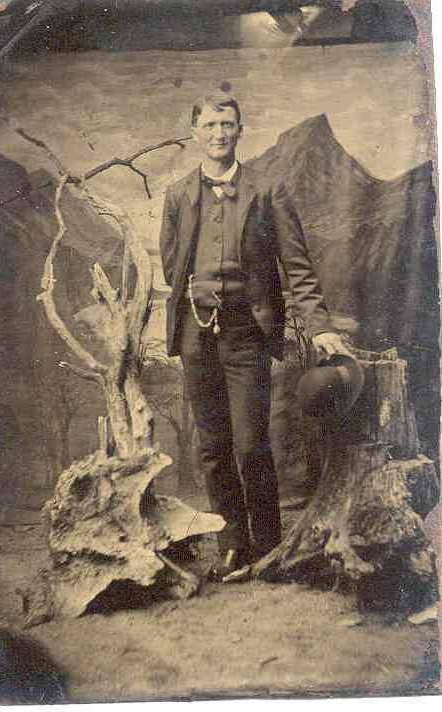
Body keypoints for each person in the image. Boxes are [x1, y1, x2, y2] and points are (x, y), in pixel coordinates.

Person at [159, 92, 349, 581]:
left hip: (247, 333)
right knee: (211, 446)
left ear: (240, 130)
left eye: (227, 125)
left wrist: (322, 327)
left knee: (250, 443)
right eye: (209, 125)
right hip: (196, 333)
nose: (218, 134)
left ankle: (266, 546)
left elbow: (298, 269)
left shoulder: (268, 191)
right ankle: (231, 545)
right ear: (195, 132)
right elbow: (171, 263)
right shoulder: (179, 194)